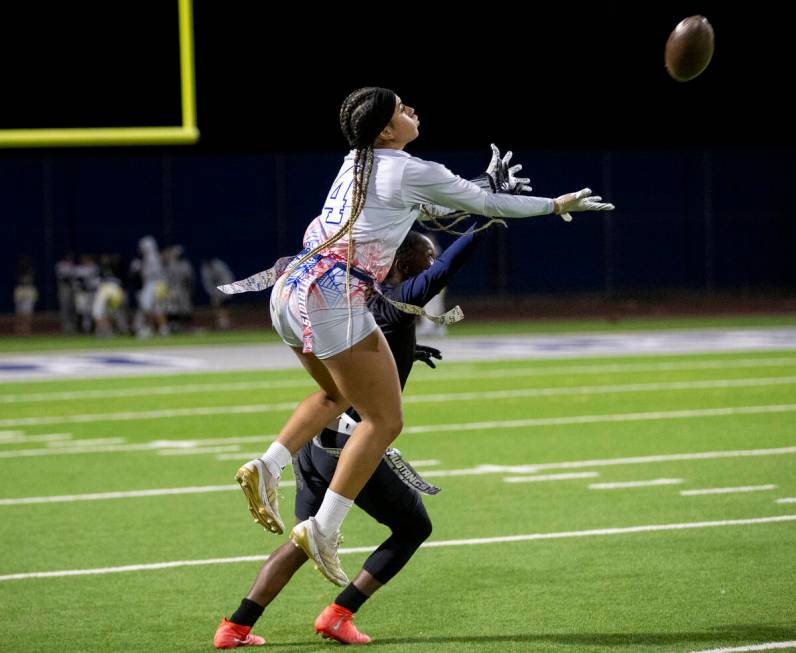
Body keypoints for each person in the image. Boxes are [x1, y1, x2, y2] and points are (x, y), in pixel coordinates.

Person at [235, 87, 614, 587]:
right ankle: (323, 529)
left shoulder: (356, 161)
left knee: (335, 394)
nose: (412, 110)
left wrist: (478, 184)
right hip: (333, 296)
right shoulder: (413, 168)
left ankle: (269, 463)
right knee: (384, 420)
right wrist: (554, 204)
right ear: (387, 130)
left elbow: (421, 207)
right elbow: (483, 204)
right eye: (401, 108)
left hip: (289, 287)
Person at [215, 224, 487, 649]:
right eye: (424, 259)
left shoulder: (357, 298)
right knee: (413, 528)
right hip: (348, 443)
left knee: (308, 536)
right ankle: (339, 615)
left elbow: (371, 345)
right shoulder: (397, 298)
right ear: (399, 264)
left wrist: (407, 352)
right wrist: (481, 224)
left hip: (314, 442)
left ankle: (236, 625)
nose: (430, 265)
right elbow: (443, 273)